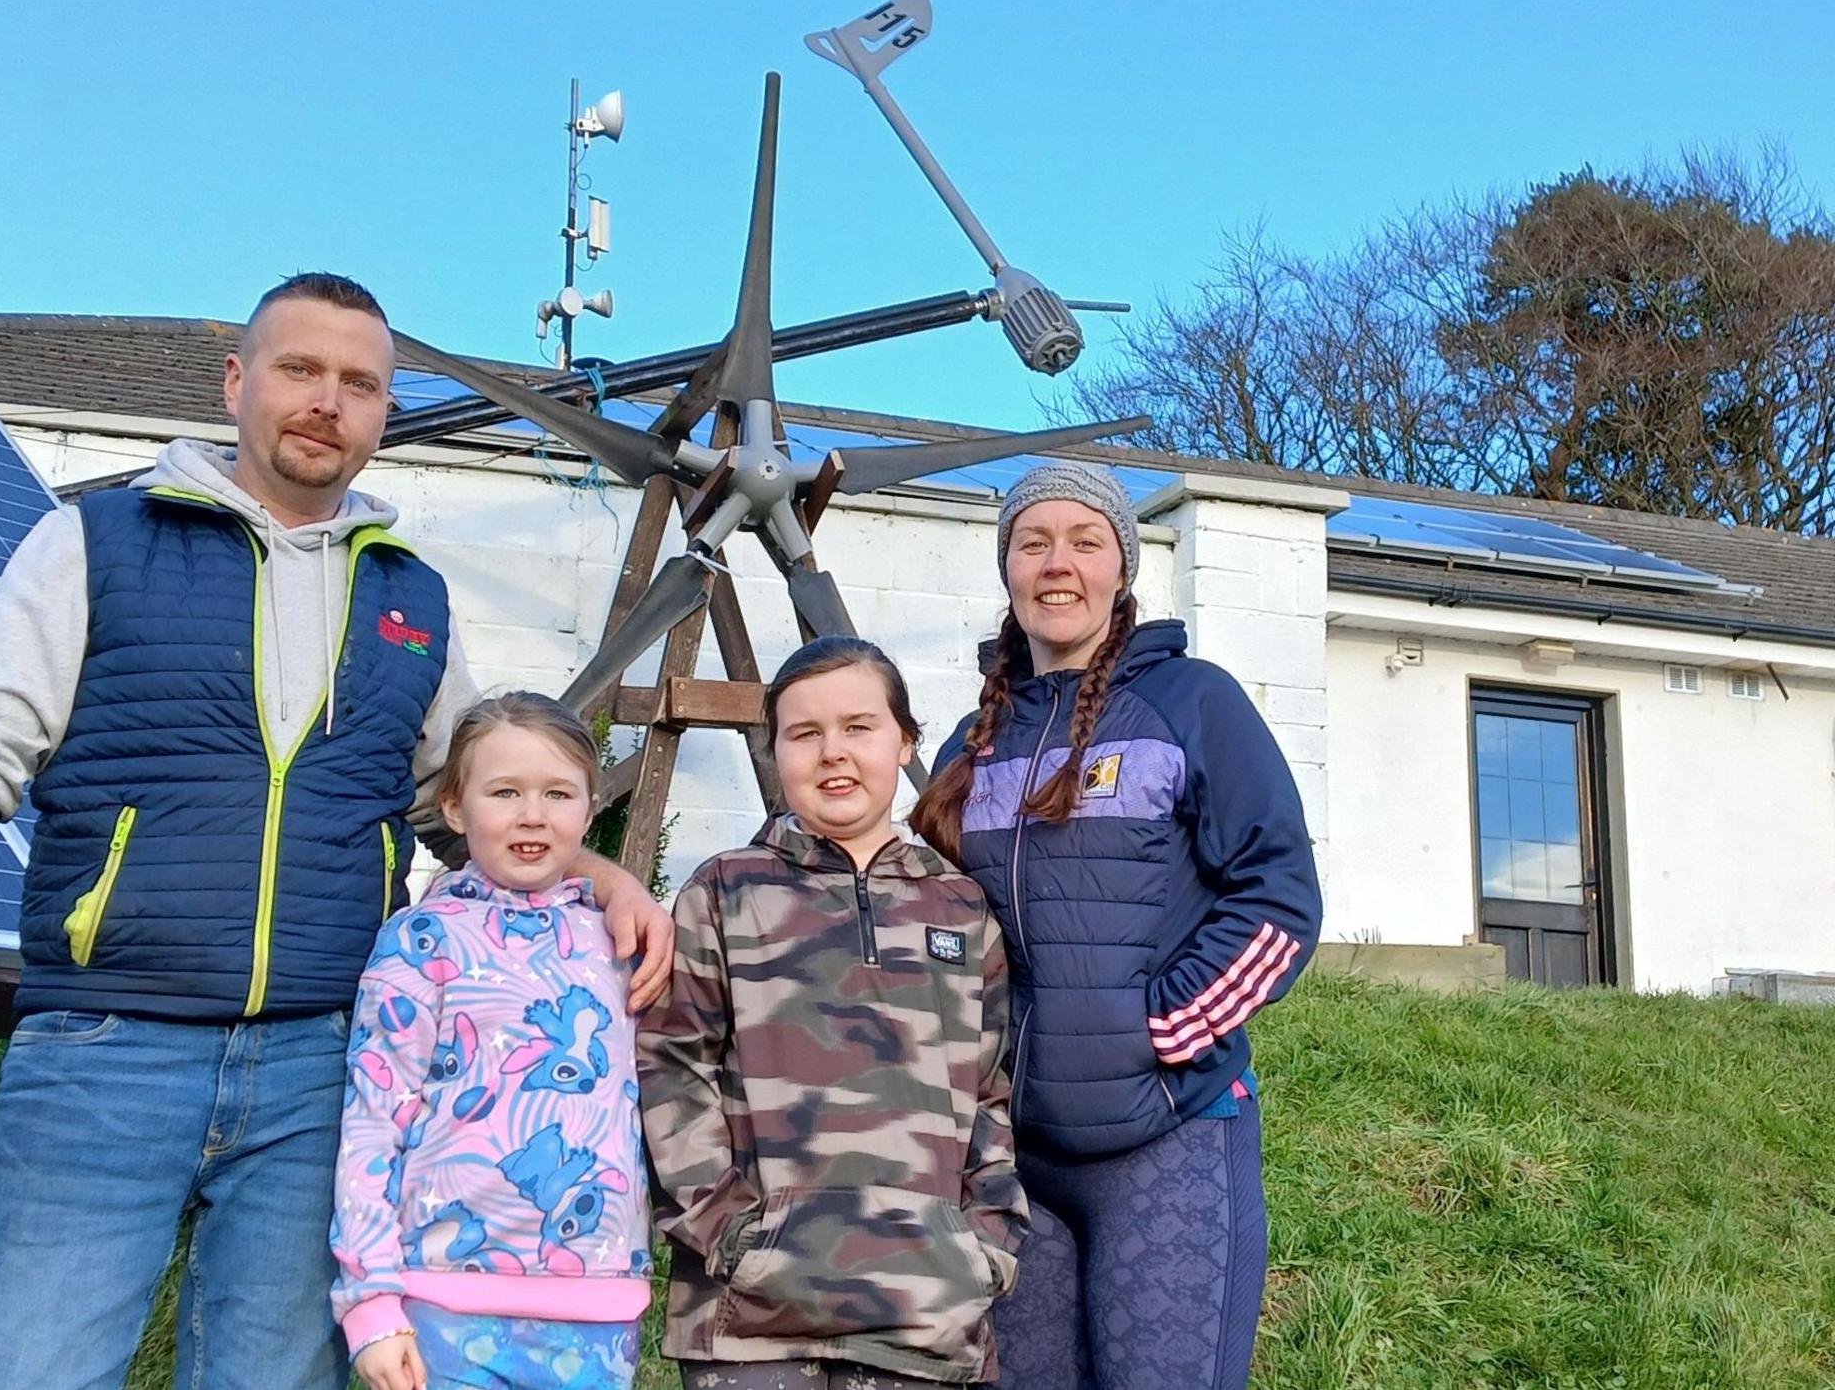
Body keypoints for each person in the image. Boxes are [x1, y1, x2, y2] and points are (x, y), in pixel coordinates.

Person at [0, 272, 673, 1390]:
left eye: (359, 383)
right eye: (299, 369)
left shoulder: (410, 596)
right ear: (237, 381)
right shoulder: (94, 541)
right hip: (108, 1041)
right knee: (20, 1367)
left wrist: (600, 878)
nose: (327, 400)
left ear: (385, 410)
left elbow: (466, 791)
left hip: (322, 1061)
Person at [905, 461, 1322, 1390]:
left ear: (1121, 568)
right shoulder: (970, 745)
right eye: (1034, 541)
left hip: (1170, 1138)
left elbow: (1280, 896)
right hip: (1018, 1162)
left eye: (1086, 541)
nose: (1060, 563)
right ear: (1007, 568)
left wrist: (1155, 1028)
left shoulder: (1192, 703)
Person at [641, 637, 1025, 1389]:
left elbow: (989, 1092)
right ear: (775, 748)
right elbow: (666, 1067)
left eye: (859, 726)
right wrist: (729, 1236)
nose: (833, 753)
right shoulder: (724, 892)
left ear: (905, 739)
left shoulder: (960, 906)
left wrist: (987, 1247)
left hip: (927, 1314)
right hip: (750, 1320)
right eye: (805, 733)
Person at [332, 692, 649, 1390]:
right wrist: (373, 1302)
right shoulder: (422, 940)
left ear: (590, 808)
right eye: (504, 791)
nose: (531, 813)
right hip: (445, 1301)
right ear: (454, 807)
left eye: (557, 792)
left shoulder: (621, 941)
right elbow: (372, 1122)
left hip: (597, 1303)